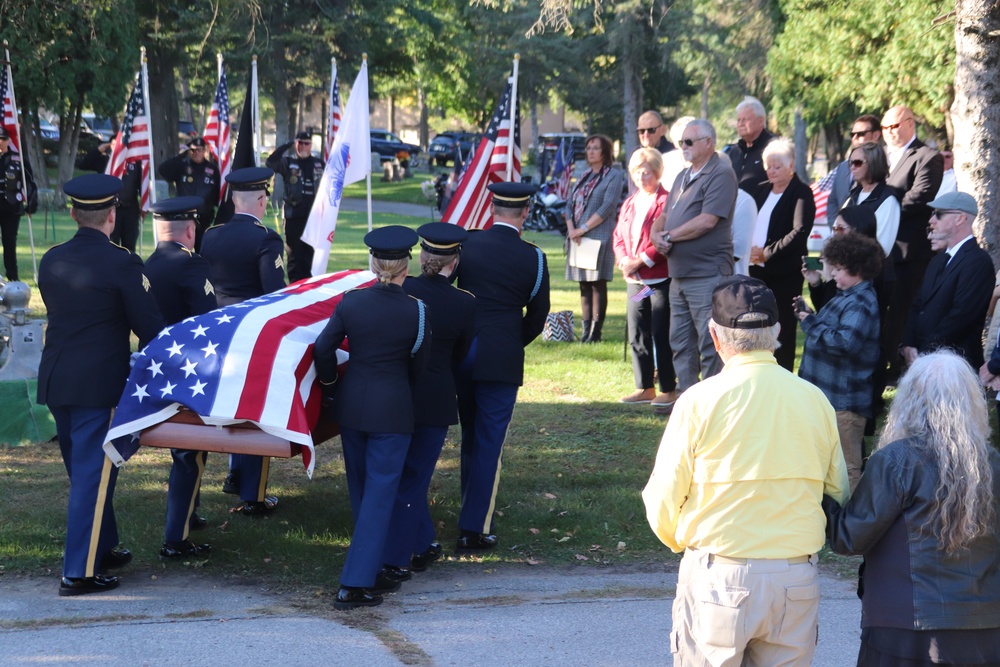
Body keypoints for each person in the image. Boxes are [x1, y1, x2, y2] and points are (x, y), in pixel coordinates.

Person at [642, 275, 848, 666]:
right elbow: (838, 489)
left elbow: (664, 494)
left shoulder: (699, 401)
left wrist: (679, 542)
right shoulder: (814, 399)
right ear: (777, 333)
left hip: (720, 572)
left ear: (715, 337)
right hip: (794, 574)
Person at [825, 351, 1000, 666]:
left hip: (905, 626)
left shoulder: (896, 461)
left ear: (909, 401)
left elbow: (849, 538)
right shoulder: (992, 463)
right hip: (985, 626)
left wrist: (823, 494)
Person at [37, 174, 166, 596]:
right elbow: (149, 327)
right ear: (112, 216)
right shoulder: (122, 262)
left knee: (86, 473)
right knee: (92, 477)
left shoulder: (51, 259)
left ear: (74, 214)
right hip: (97, 383)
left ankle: (103, 545)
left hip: (58, 379)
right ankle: (78, 572)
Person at [313, 225, 430, 610]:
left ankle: (374, 562)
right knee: (379, 497)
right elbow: (420, 368)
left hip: (353, 407)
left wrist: (331, 383)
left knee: (363, 493)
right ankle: (355, 583)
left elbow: (323, 348)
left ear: (372, 263)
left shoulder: (350, 302)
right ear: (405, 268)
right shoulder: (416, 310)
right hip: (392, 411)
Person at [455, 182, 550, 553]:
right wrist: (512, 341)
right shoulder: (535, 257)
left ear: (492, 209)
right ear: (525, 212)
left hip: (464, 352)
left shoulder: (468, 245)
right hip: (501, 354)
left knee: (470, 435)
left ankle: (469, 510)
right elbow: (538, 317)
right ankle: (474, 527)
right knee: (489, 442)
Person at [382, 223, 475, 577]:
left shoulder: (402, 291)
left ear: (421, 256)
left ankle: (421, 542)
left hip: (397, 393)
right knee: (415, 478)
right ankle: (403, 553)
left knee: (405, 474)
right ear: (455, 261)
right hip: (435, 397)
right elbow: (462, 356)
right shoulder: (464, 303)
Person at [201, 167, 286, 516]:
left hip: (217, 331)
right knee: (253, 410)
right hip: (251, 334)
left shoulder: (210, 236)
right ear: (263, 200)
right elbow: (274, 294)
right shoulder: (266, 238)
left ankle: (237, 475)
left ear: (233, 199)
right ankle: (253, 491)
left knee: (231, 405)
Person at [144, 196, 217, 561]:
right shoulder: (191, 265)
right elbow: (208, 320)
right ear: (191, 229)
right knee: (190, 451)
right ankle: (177, 537)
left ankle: (190, 512)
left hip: (155, 369)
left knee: (186, 451)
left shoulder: (147, 264)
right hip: (187, 371)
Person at [652, 119, 737, 394]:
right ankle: (687, 403)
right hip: (679, 273)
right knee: (680, 342)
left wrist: (669, 237)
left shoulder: (720, 174)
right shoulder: (682, 176)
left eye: (688, 142)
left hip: (708, 273)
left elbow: (707, 221)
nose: (682, 148)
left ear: (708, 143)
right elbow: (664, 215)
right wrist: (656, 235)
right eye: (680, 143)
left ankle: (713, 405)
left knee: (711, 343)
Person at [795, 233, 883, 491]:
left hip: (844, 404)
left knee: (847, 467)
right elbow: (834, 330)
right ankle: (835, 519)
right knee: (826, 462)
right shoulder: (846, 295)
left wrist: (810, 323)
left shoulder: (861, 302)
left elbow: (845, 343)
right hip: (829, 399)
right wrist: (810, 314)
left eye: (839, 268)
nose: (832, 272)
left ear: (857, 269)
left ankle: (855, 525)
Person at [881, 105, 944, 379]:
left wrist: (883, 210)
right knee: (882, 310)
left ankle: (899, 367)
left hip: (909, 252)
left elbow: (920, 196)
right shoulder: (879, 156)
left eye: (894, 126)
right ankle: (881, 364)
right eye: (885, 128)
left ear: (909, 123)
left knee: (903, 311)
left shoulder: (928, 156)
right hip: (880, 249)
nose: (889, 132)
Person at [901, 191, 994, 368]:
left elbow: (961, 316)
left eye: (939, 214)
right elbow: (917, 306)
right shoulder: (938, 260)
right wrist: (907, 345)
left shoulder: (978, 261)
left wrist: (924, 353)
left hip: (954, 367)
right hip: (924, 362)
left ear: (959, 219)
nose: (931, 220)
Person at [612, 147, 675, 409]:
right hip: (639, 284)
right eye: (637, 172)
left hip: (659, 281)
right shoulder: (630, 202)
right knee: (638, 330)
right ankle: (644, 386)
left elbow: (666, 240)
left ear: (658, 172)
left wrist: (640, 261)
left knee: (661, 332)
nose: (641, 177)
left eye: (646, 172)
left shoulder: (667, 201)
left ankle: (669, 389)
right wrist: (624, 260)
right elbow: (618, 236)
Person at [748, 137, 815, 371]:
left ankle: (783, 372)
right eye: (768, 165)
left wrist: (767, 253)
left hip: (784, 272)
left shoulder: (801, 193)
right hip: (756, 269)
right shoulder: (761, 190)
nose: (771, 170)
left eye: (777, 166)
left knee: (783, 325)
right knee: (758, 322)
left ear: (791, 166)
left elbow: (799, 232)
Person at [564, 134, 624, 343]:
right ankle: (585, 332)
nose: (591, 151)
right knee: (583, 284)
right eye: (588, 147)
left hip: (598, 236)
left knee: (597, 284)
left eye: (595, 148)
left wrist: (582, 229)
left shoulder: (613, 176)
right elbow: (569, 204)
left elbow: (607, 206)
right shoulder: (583, 175)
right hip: (578, 237)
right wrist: (572, 229)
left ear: (605, 152)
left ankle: (596, 333)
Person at [265, 131, 324, 283]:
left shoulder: (319, 164)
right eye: (300, 143)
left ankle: (311, 285)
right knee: (294, 254)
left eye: (306, 143)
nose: (303, 146)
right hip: (293, 216)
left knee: (310, 253)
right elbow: (270, 162)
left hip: (314, 217)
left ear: (311, 145)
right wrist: (287, 145)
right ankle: (295, 286)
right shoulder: (288, 162)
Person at [76, 140, 142, 252]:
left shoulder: (135, 162)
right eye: (115, 143)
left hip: (130, 209)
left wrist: (144, 204)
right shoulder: (105, 161)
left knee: (130, 245)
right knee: (111, 242)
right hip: (110, 209)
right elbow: (83, 164)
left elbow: (141, 183)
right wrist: (98, 150)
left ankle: (129, 267)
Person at [158, 136, 221, 251]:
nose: (196, 153)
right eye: (193, 150)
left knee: (202, 250)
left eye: (199, 150)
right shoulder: (182, 166)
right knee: (182, 250)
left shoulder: (213, 169)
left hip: (204, 217)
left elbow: (217, 194)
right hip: (184, 217)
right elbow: (163, 170)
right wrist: (181, 155)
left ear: (205, 150)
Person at [841, 140, 900, 257]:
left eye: (857, 163)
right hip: (846, 267)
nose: (852, 167)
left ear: (873, 163)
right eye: (850, 163)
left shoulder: (888, 200)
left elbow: (882, 248)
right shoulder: (854, 195)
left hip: (869, 271)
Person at [825, 114, 883, 223]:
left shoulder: (883, 166)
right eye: (852, 134)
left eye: (860, 134)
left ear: (876, 135)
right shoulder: (843, 167)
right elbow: (832, 201)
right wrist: (836, 227)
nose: (854, 138)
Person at [0, 126, 36, 280]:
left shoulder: (18, 159)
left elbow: (30, 183)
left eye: (3, 139)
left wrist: (32, 205)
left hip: (11, 207)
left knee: (9, 242)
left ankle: (12, 278)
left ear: (8, 140)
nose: (0, 142)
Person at [723, 96, 774, 194]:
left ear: (761, 121)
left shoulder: (774, 148)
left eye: (745, 120)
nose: (740, 124)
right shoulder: (733, 151)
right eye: (738, 120)